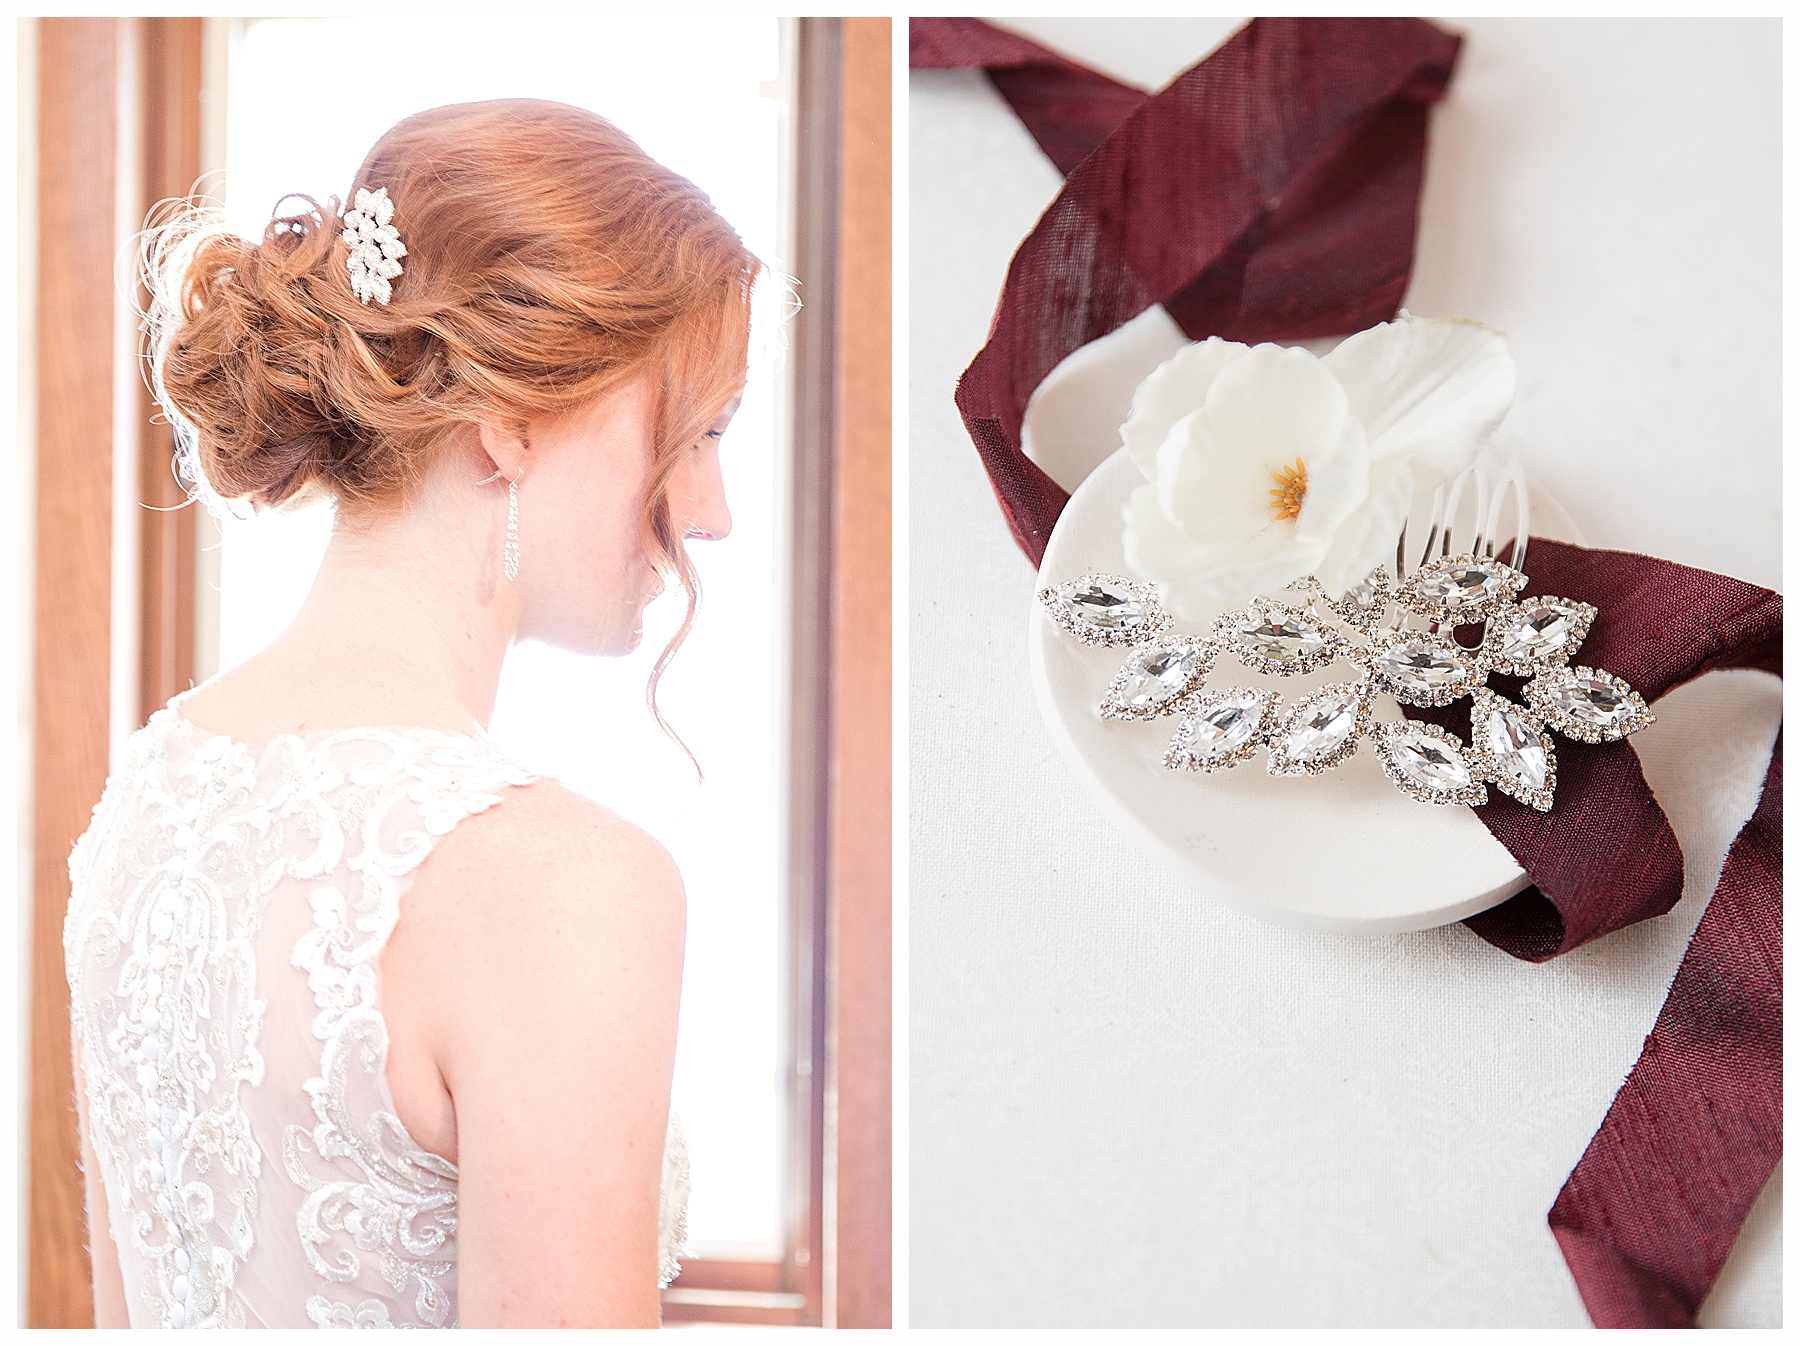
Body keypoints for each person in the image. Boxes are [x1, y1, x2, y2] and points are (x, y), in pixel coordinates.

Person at [62, 98, 759, 1328]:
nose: (712, 512)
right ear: (512, 420)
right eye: (696, 430)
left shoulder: (146, 802)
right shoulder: (564, 883)